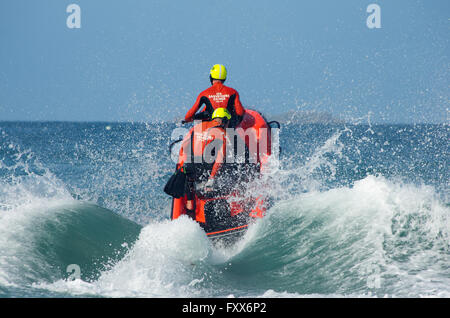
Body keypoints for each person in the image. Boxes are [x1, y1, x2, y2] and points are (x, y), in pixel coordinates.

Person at [179, 108, 232, 218]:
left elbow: (184, 147)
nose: (228, 125)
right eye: (228, 122)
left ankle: (190, 220)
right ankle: (220, 214)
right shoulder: (222, 133)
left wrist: (182, 167)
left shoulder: (196, 127)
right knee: (230, 174)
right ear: (223, 121)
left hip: (189, 168)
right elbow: (220, 159)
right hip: (204, 171)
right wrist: (211, 178)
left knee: (190, 194)